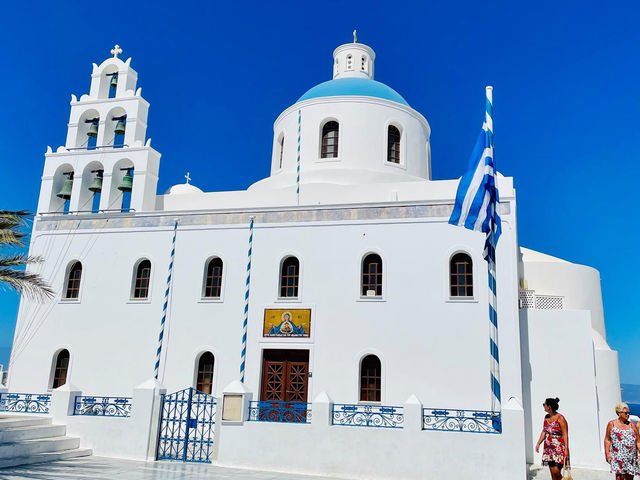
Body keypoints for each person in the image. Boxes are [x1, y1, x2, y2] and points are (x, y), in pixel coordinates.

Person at [535, 397, 569, 480]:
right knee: (553, 474)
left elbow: (565, 434)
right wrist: (538, 443)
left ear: (549, 407)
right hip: (549, 449)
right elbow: (544, 431)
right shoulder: (546, 417)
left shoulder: (560, 418)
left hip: (559, 448)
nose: (543, 406)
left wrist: (566, 449)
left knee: (556, 472)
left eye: (544, 404)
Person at [604, 402, 640, 479]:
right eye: (626, 413)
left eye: (628, 413)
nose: (628, 415)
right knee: (618, 477)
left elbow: (638, 441)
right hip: (618, 456)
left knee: (629, 477)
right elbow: (607, 439)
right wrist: (607, 454)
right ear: (619, 413)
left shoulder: (632, 425)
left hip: (630, 457)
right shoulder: (611, 424)